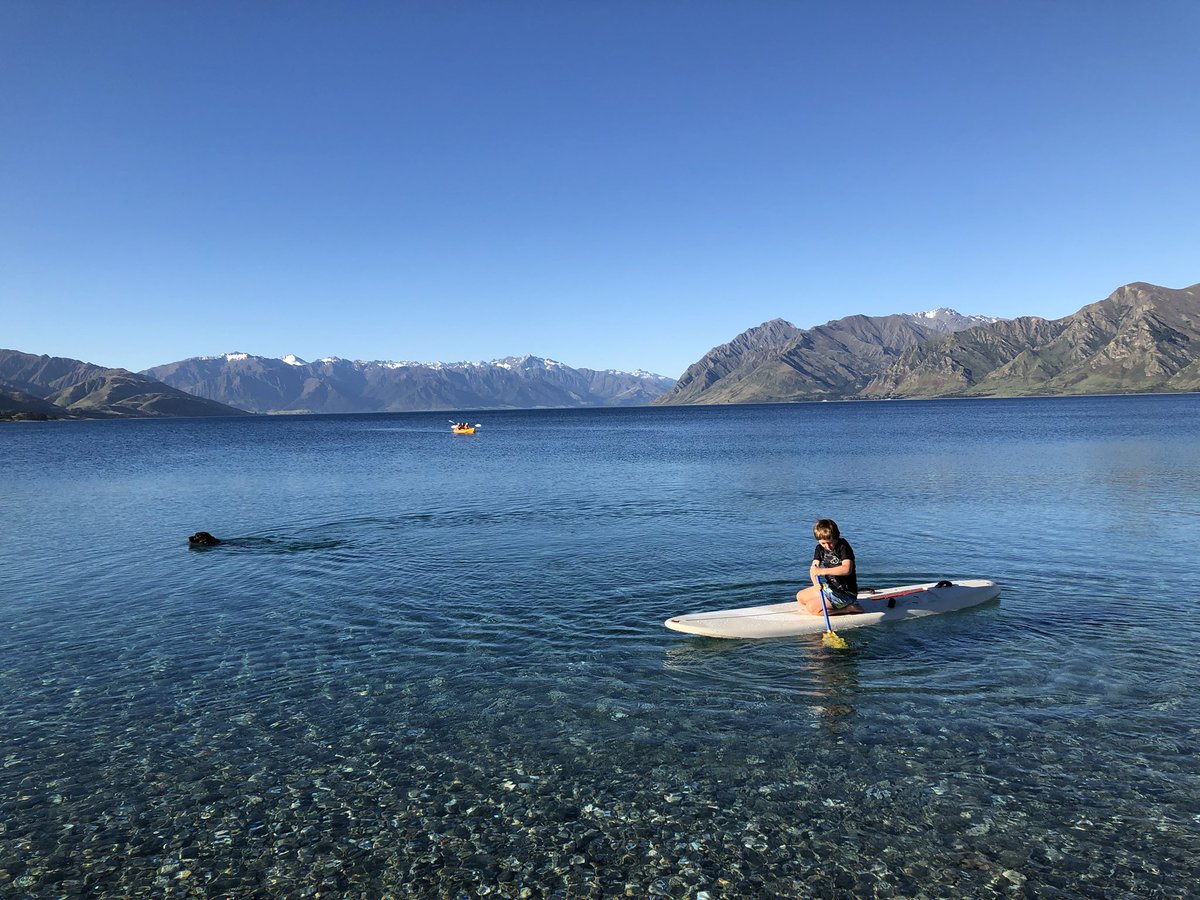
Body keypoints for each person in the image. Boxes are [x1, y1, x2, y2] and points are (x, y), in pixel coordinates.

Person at [796, 518, 862, 615]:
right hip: (830, 588)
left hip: (846, 593)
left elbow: (847, 569)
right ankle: (828, 604)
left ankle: (847, 609)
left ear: (836, 537)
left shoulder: (843, 546)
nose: (828, 546)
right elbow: (813, 570)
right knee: (800, 597)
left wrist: (822, 571)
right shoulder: (819, 549)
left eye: (830, 542)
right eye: (823, 543)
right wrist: (815, 584)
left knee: (812, 608)